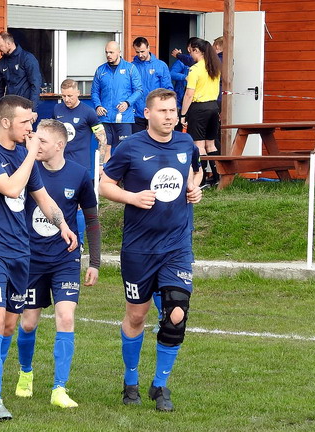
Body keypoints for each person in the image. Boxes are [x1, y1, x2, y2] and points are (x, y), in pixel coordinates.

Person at [0, 95, 78, 421]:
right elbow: (12, 189)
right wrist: (30, 155)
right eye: (26, 122)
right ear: (5, 122)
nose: (31, 128)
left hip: (20, 251)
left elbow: (42, 198)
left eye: (32, 121)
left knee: (9, 325)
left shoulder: (22, 155)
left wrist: (63, 226)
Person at [99, 88, 203, 412]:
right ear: (147, 114)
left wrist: (194, 187)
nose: (169, 116)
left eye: (173, 110)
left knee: (176, 314)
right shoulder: (130, 147)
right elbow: (104, 184)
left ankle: (160, 385)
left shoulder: (186, 143)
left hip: (176, 245)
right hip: (139, 249)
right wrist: (132, 197)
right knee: (137, 316)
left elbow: (195, 170)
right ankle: (130, 379)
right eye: (163, 111)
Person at [13, 119, 101, 408]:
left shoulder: (79, 174)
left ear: (60, 145)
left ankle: (59, 388)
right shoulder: (27, 170)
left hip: (65, 258)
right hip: (32, 259)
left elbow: (92, 219)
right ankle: (26, 373)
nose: (35, 144)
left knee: (65, 317)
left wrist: (95, 261)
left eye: (42, 141)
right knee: (28, 323)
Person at [54, 78, 107, 244]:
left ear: (78, 93)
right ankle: (61, 239)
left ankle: (80, 242)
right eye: (64, 96)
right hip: (60, 165)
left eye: (70, 95)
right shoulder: (57, 109)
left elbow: (102, 137)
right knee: (59, 202)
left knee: (78, 205)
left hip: (81, 166)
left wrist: (100, 164)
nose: (67, 99)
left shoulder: (88, 112)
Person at [180, 38, 221, 186]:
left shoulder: (195, 69)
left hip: (199, 108)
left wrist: (183, 114)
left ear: (196, 50)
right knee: (211, 144)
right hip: (213, 107)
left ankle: (201, 179)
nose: (190, 55)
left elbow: (189, 94)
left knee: (199, 145)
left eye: (190, 51)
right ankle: (218, 177)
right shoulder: (215, 67)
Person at [91, 41, 143, 155]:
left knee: (123, 150)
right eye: (106, 52)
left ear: (119, 52)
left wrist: (127, 103)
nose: (108, 55)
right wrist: (98, 105)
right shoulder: (100, 70)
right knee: (104, 147)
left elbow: (139, 90)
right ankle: (103, 167)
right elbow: (94, 92)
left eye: (111, 52)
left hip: (124, 118)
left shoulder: (130, 68)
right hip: (105, 117)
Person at [0, 31, 42, 129]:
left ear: (9, 44)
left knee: (24, 136)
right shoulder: (2, 63)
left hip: (25, 109)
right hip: (9, 109)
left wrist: (33, 110)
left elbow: (35, 85)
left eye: (0, 46)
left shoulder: (27, 58)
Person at [131, 37, 173, 133]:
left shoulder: (160, 65)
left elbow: (167, 89)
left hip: (156, 111)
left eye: (142, 51)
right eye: (137, 52)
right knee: (138, 140)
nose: (140, 55)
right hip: (137, 113)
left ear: (148, 48)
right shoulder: (132, 67)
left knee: (157, 139)